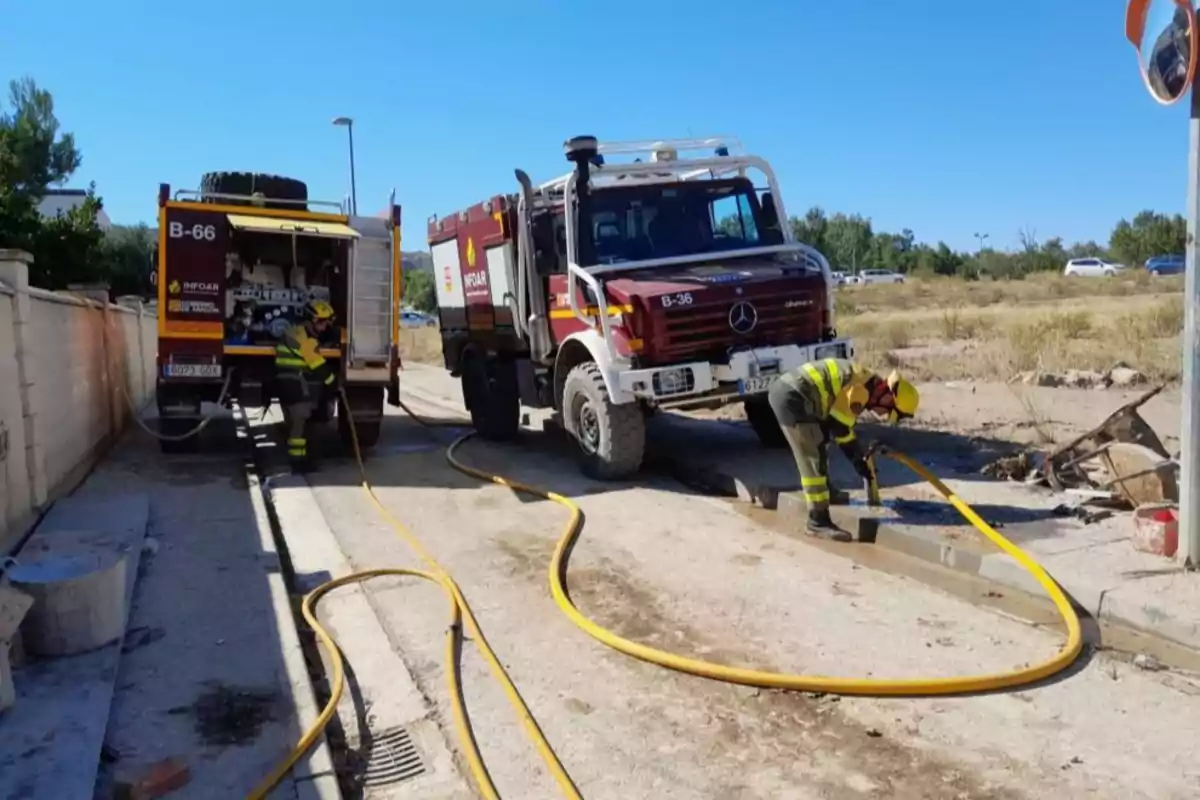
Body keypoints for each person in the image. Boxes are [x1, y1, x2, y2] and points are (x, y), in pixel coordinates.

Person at [767, 358, 920, 541]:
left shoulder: (867, 381)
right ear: (888, 397)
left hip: (799, 394)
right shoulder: (861, 389)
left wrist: (856, 456)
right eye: (888, 411)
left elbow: (837, 425)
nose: (883, 415)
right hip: (793, 397)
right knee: (812, 457)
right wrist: (857, 458)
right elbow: (840, 427)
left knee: (822, 440)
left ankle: (827, 493)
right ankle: (818, 521)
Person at [274, 300, 338, 473]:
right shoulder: (306, 340)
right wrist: (333, 382)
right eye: (322, 323)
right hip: (296, 385)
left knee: (297, 424)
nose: (324, 328)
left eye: (327, 324)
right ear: (312, 320)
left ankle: (301, 459)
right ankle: (298, 463)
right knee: (299, 426)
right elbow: (317, 364)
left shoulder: (294, 332)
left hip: (287, 383)